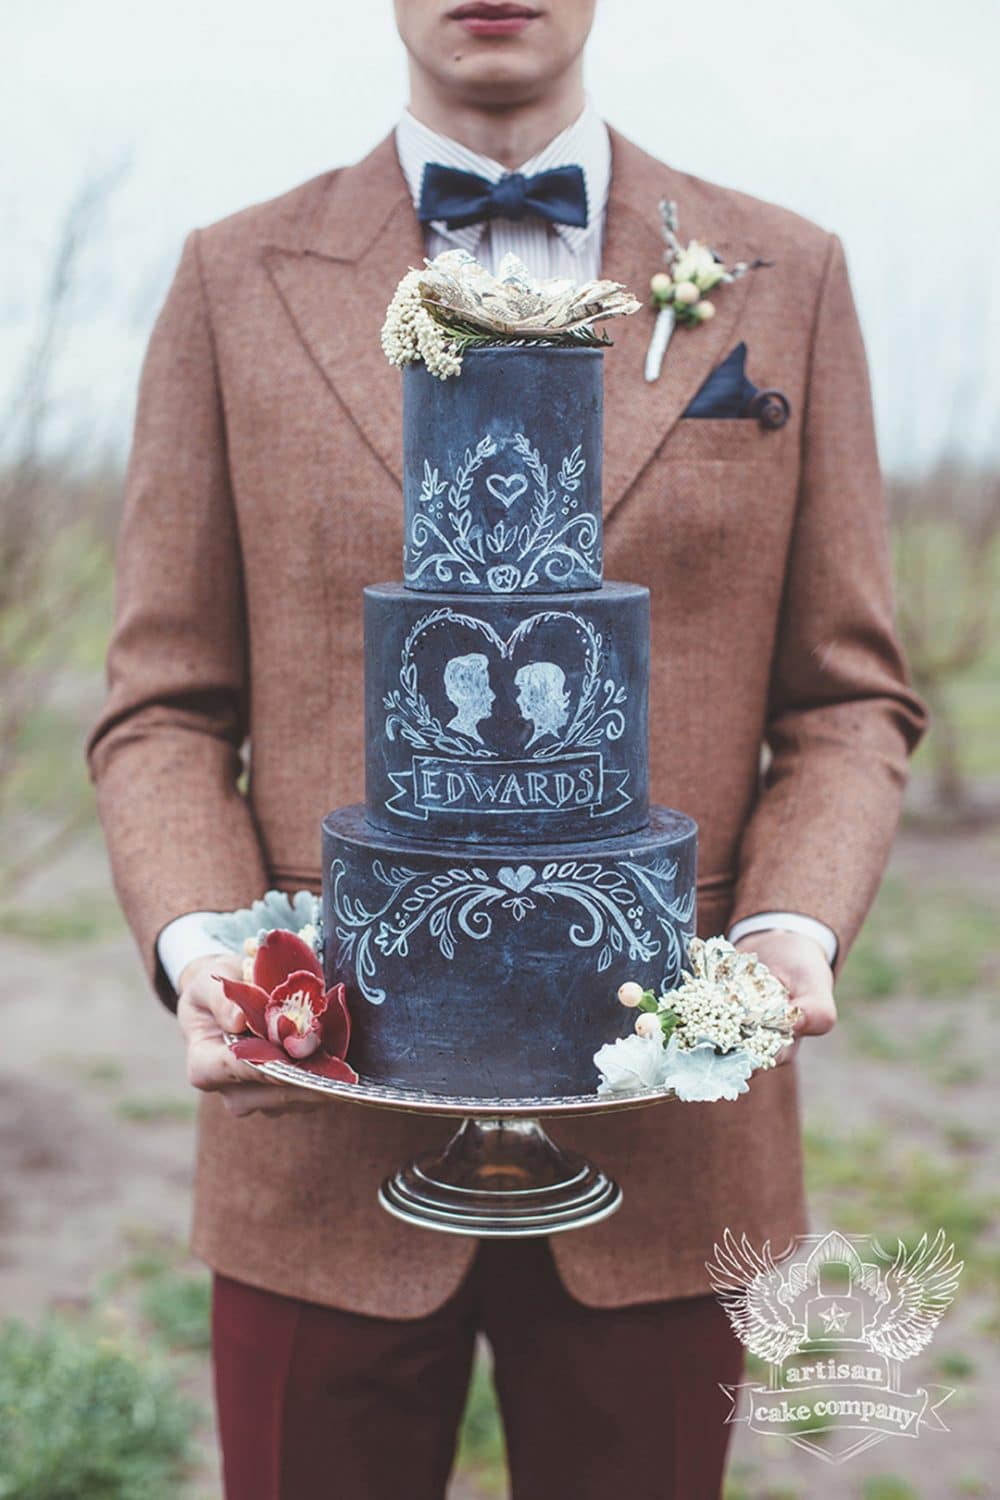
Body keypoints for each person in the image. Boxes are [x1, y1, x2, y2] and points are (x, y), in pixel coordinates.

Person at [85, 2, 927, 1496]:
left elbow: (846, 697)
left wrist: (789, 931)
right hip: (317, 1126)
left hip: (675, 1135)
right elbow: (165, 697)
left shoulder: (785, 270)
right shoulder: (233, 273)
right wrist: (219, 947)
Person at [444, 651, 495, 740]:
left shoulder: (472, 733)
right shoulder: (455, 734)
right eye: (484, 690)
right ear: (465, 693)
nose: (492, 696)